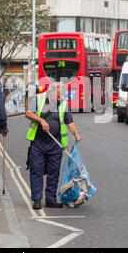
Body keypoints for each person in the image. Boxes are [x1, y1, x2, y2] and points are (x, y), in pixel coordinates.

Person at [25, 82, 82, 210]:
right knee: (36, 171)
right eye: (57, 96)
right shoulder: (39, 99)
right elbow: (28, 113)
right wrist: (40, 120)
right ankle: (37, 200)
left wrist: (76, 133)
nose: (59, 98)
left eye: (61, 96)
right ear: (49, 92)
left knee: (54, 172)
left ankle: (50, 199)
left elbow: (69, 122)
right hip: (38, 141)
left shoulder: (63, 104)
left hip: (55, 143)